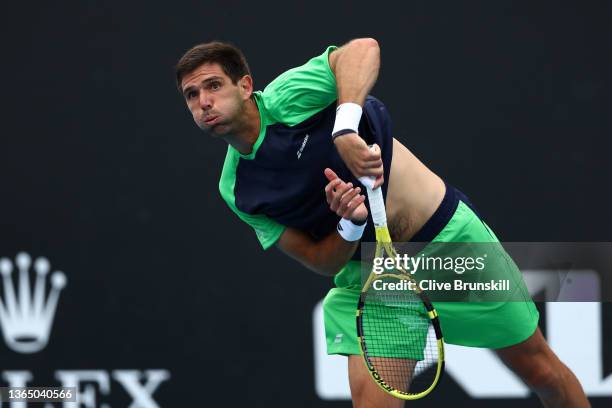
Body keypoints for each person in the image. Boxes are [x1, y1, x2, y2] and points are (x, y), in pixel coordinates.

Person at [175, 38, 590, 407]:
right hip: (377, 278)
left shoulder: (287, 99)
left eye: (213, 86)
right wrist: (351, 226)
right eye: (192, 95)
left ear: (245, 86)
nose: (204, 102)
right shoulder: (237, 188)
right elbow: (321, 261)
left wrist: (344, 127)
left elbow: (362, 49)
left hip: (449, 245)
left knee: (543, 374)